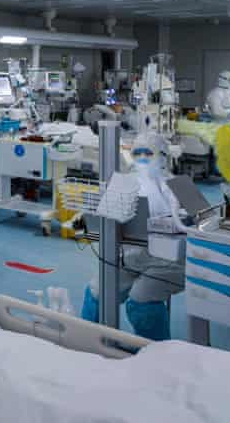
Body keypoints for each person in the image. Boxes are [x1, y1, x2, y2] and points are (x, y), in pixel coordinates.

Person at [81, 132, 184, 340]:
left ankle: (157, 355)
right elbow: (101, 217)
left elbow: (203, 223)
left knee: (140, 301)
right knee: (97, 292)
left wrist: (176, 222)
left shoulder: (180, 185)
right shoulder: (124, 182)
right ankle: (84, 342)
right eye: (138, 153)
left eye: (149, 153)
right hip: (129, 257)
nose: (143, 158)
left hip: (168, 262)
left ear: (163, 156)